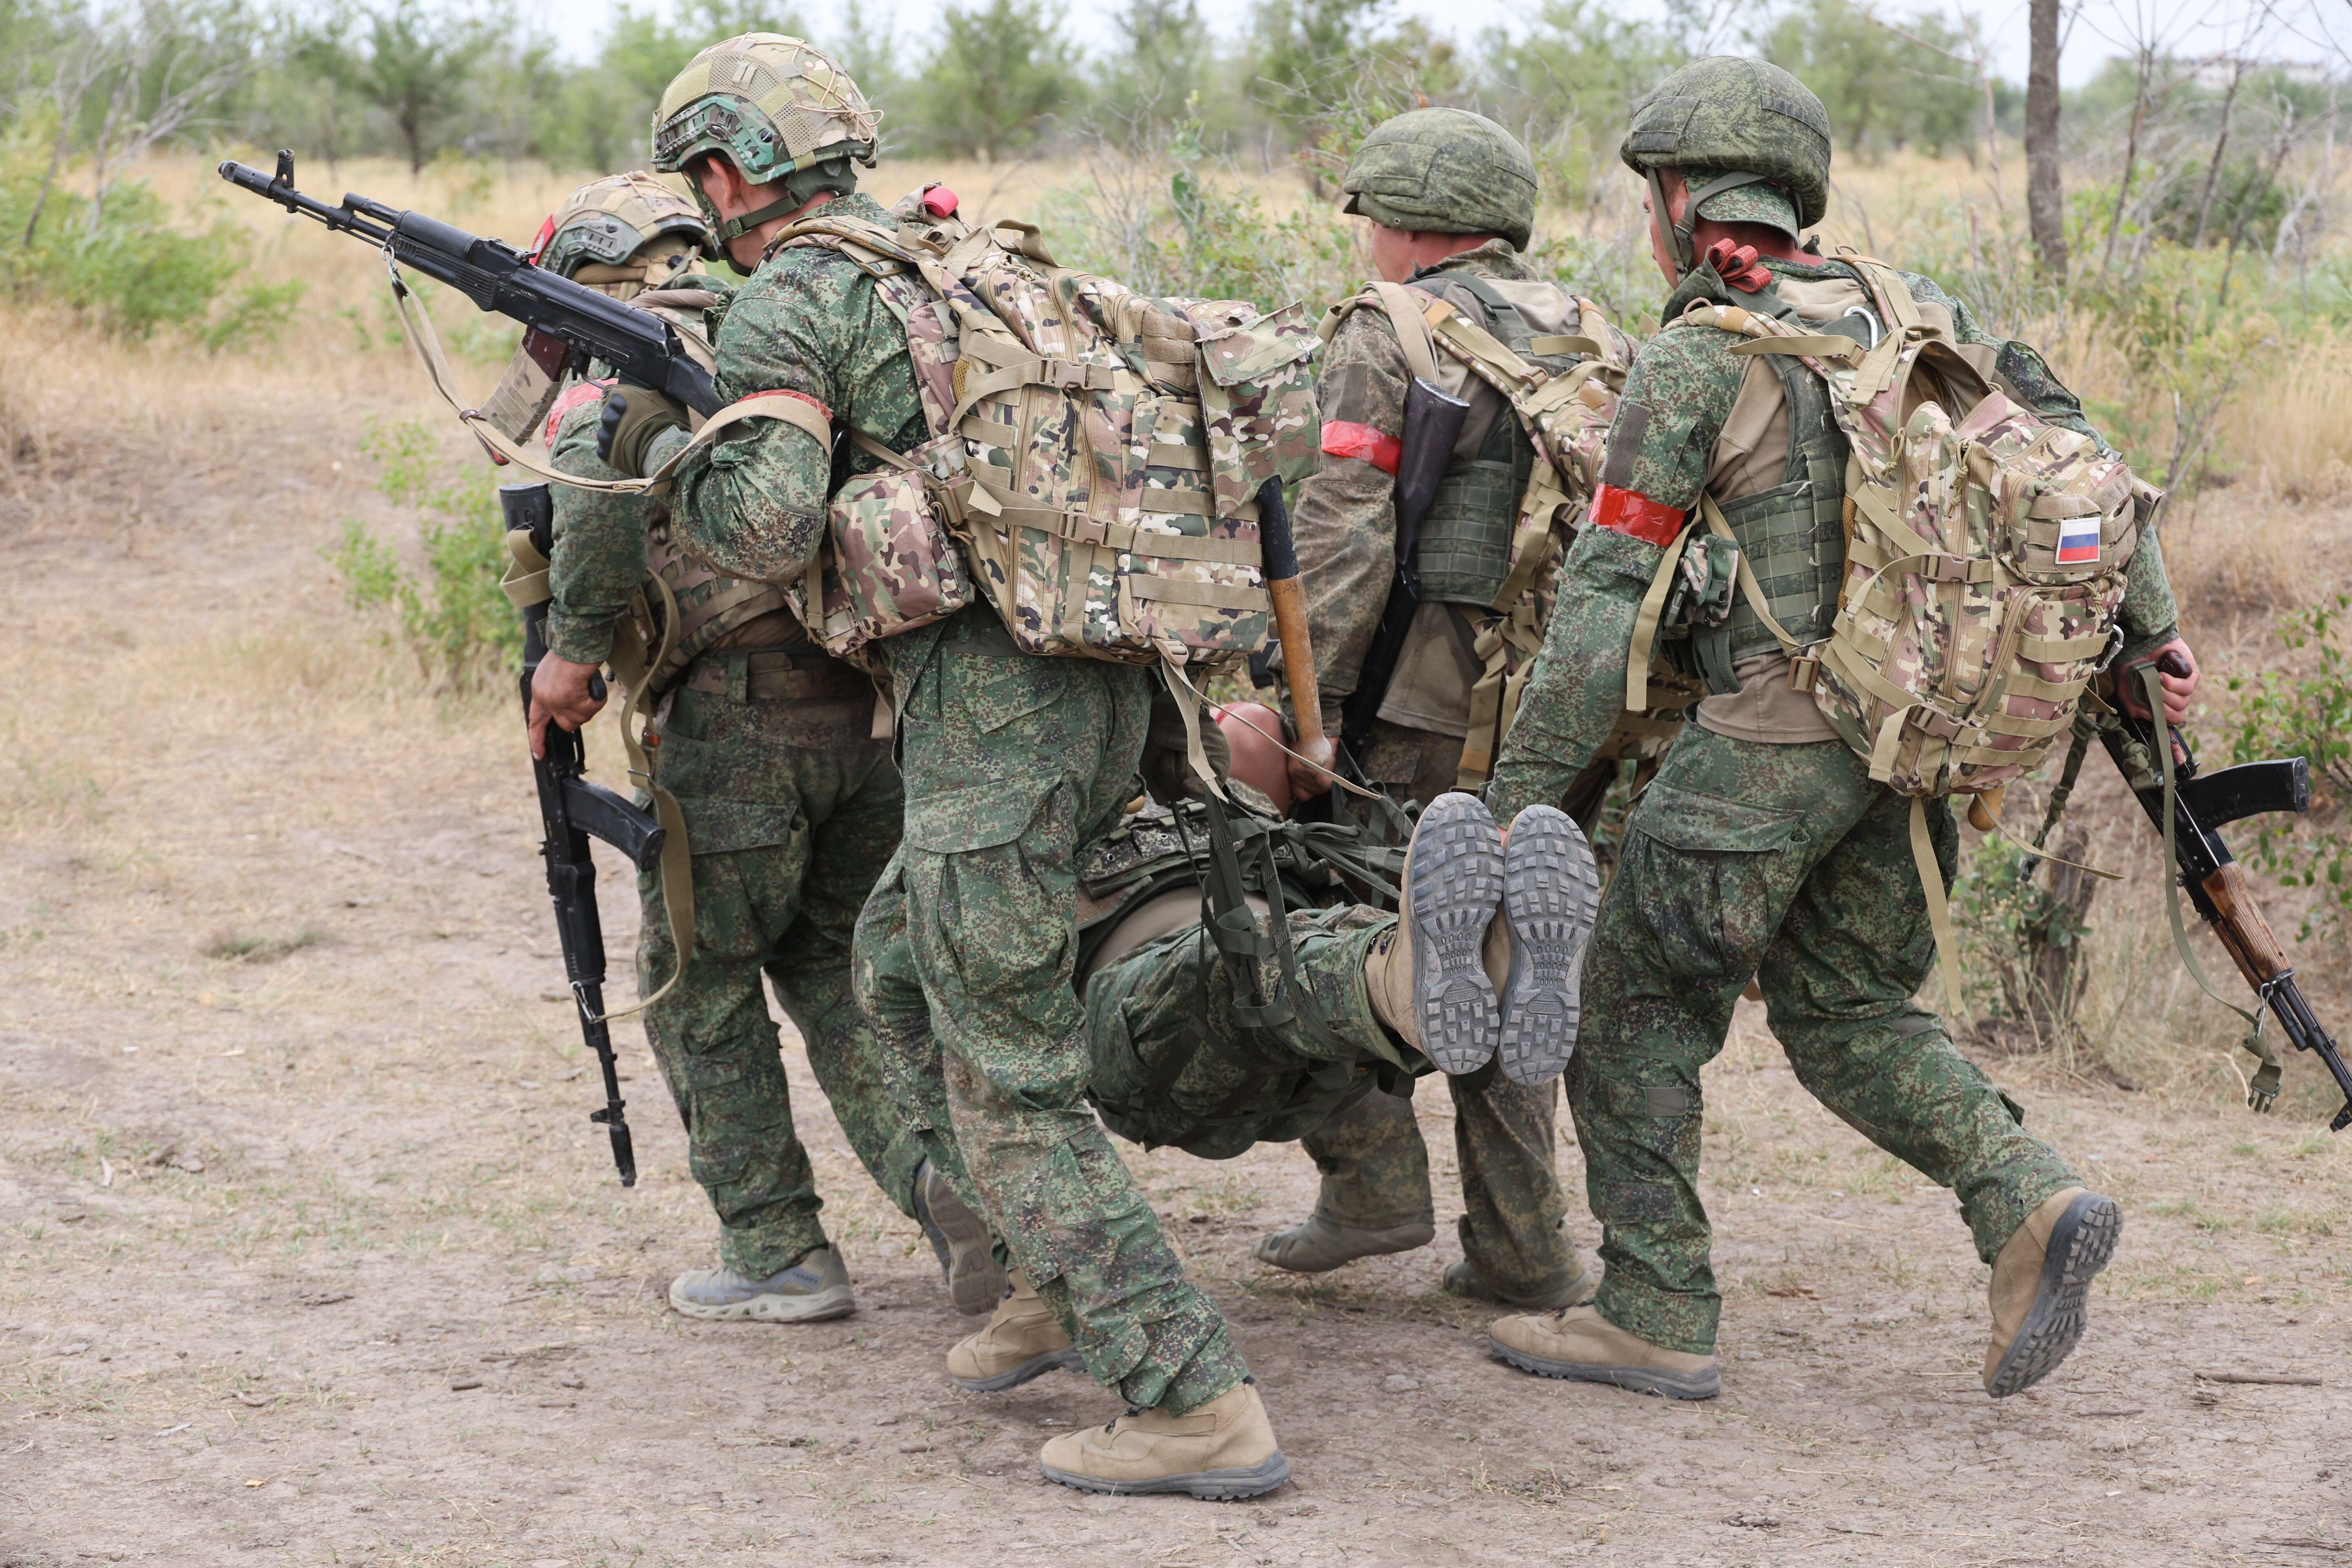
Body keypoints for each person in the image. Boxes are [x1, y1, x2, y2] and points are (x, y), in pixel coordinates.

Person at [591, 33, 1285, 1499]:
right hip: (1106, 689)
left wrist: (659, 452)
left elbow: (768, 527)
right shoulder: (963, 261)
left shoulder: (796, 293)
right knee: (895, 963)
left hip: (989, 714)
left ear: (726, 171)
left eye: (701, 179)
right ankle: (1043, 1278)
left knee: (1009, 1070)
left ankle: (1191, 1396)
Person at [1476, 55, 2200, 1401]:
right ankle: (2028, 1197)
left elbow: (1603, 603)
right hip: (1913, 744)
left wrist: (1512, 802)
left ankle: (1654, 1309)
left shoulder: (1703, 351)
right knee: (1850, 1007)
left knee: (1632, 1010)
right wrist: (2152, 639)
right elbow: (2088, 464)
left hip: (1766, 744)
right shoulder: (1922, 311)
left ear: (1681, 197)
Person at [521, 169, 1000, 1327]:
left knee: (699, 986)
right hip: (870, 709)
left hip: (735, 726)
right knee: (843, 968)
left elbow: (593, 507)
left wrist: (570, 657)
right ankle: (953, 1191)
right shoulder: (782, 329)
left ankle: (776, 1247)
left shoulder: (617, 380)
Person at [1254, 107, 1640, 1314]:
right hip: (1557, 700)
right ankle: (1522, 1247)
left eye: (1373, 217)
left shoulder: (1392, 328)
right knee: (1513, 945)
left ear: (1412, 226)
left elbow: (1345, 532)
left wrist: (1305, 712)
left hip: (1421, 704)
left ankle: (1373, 1184)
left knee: (1328, 919)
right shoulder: (1592, 328)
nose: (1368, 237)